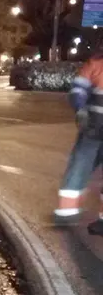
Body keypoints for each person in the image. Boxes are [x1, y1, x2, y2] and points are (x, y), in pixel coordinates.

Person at [54, 52, 103, 236]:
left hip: (93, 128)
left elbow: (78, 90)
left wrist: (80, 108)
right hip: (93, 129)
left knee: (79, 166)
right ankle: (68, 212)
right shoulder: (96, 64)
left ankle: (67, 212)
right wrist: (80, 107)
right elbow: (78, 91)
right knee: (79, 167)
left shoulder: (96, 64)